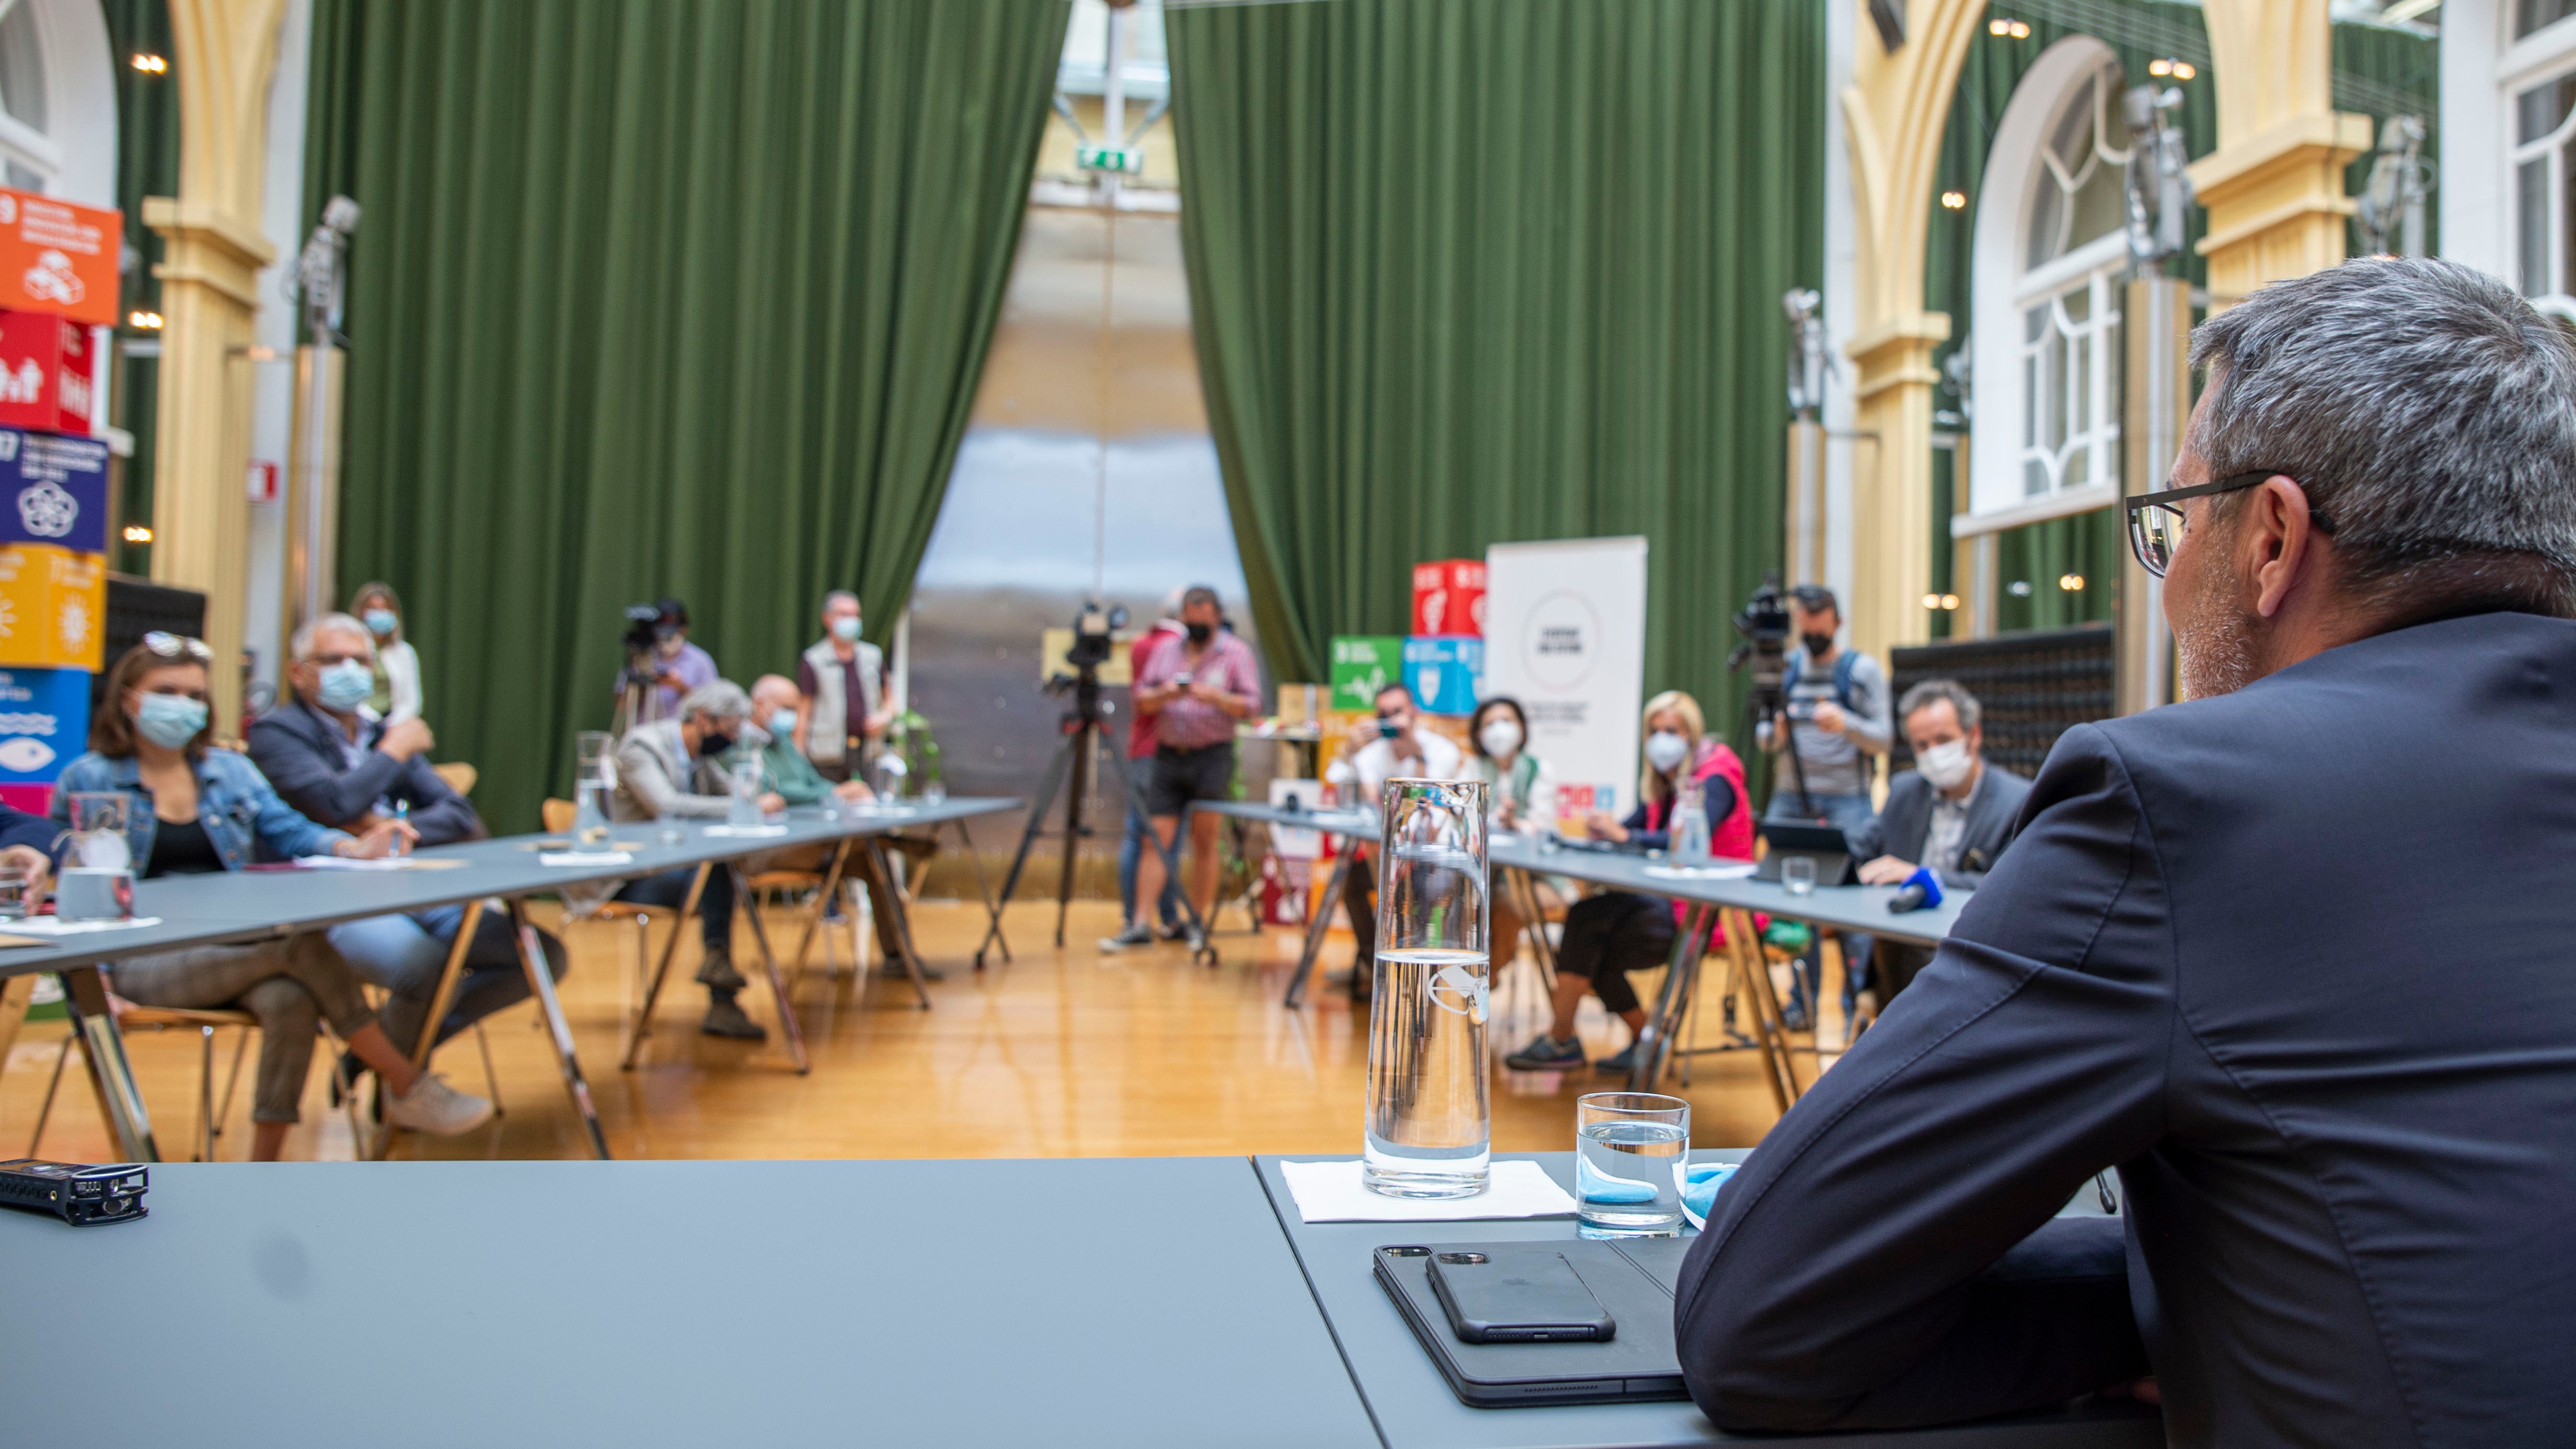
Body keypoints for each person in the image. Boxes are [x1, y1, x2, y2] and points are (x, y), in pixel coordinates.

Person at [1675, 258, 2576, 1444]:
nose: (2164, 580)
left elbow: (1762, 1318)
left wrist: (2165, 1307)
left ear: (2269, 539)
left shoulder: (2184, 806)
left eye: (2175, 521)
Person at [54, 635, 492, 1157]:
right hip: (144, 960)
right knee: (298, 945)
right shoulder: (89, 779)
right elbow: (72, 889)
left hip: (231, 946)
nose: (184, 705)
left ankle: (264, 1167)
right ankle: (405, 1082)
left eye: (195, 695)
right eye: (166, 691)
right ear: (128, 698)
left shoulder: (229, 771)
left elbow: (289, 829)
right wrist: (94, 981)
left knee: (293, 996)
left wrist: (349, 847)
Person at [247, 612, 569, 1076]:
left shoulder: (379, 730)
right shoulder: (277, 733)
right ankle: (402, 1079)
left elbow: (460, 815)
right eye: (333, 659)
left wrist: (382, 824)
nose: (350, 670)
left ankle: (383, 1058)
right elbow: (335, 804)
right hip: (326, 902)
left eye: (360, 660)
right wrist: (394, 754)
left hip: (411, 888)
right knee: (422, 967)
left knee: (539, 956)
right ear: (298, 672)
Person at [1504, 691, 1749, 1077]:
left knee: (1588, 926)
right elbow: (1633, 828)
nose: (1660, 738)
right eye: (1653, 730)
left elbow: (1680, 839)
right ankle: (1642, 1040)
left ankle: (1564, 1039)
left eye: (1671, 729)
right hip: (1670, 901)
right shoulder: (1667, 782)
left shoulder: (1714, 777)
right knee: (1588, 929)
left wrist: (1620, 835)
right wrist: (1606, 829)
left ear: (1692, 734)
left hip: (1707, 910)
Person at [606, 679, 781, 1040]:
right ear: (703, 719)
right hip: (632, 874)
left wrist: (751, 781)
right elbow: (666, 805)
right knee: (716, 872)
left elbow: (736, 793)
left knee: (720, 867)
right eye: (731, 729)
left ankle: (721, 983)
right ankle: (721, 992)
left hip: (677, 866)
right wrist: (745, 807)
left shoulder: (698, 756)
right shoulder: (642, 747)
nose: (732, 738)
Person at [1845, 679, 2030, 1004]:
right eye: (1922, 745)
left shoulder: (2017, 803)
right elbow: (1863, 844)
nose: (1934, 754)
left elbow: (2008, 889)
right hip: (1901, 948)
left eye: (1943, 740)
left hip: (1971, 954)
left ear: (1974, 736)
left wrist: (1921, 876)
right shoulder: (1905, 791)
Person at [1760, 584, 1892, 1029]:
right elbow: (1762, 738)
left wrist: (1846, 723)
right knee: (1795, 902)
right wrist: (1773, 733)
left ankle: (1856, 1000)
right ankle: (1803, 1001)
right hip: (1790, 795)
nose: (1812, 638)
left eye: (1820, 630)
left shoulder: (1861, 670)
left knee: (1851, 901)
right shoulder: (1787, 670)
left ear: (1836, 622)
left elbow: (1884, 738)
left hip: (1847, 800)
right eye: (1805, 630)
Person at [1102, 586, 1261, 952]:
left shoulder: (1235, 653)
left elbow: (1252, 706)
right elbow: (1141, 700)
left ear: (1217, 618)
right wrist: (1169, 693)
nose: (1197, 627)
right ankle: (1140, 923)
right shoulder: (1165, 651)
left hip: (1212, 756)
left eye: (1204, 622)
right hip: (1169, 755)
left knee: (1205, 839)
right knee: (1153, 837)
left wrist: (1216, 697)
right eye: (1192, 621)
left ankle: (1197, 922)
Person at [1322, 680, 1468, 1000]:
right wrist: (1350, 752)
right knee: (1349, 882)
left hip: (1434, 859)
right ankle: (1374, 964)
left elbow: (1427, 809)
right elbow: (1355, 795)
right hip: (1387, 858)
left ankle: (1413, 983)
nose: (1392, 721)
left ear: (1414, 712)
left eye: (1398, 712)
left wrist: (1415, 751)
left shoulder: (1441, 750)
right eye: (1383, 715)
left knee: (1421, 891)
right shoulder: (1372, 754)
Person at [1464, 694, 1556, 965]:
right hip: (1481, 874)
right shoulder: (1472, 769)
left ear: (1522, 728)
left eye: (1506, 721)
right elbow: (1459, 820)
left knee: (1504, 902)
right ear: (1479, 734)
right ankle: (1453, 969)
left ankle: (1485, 975)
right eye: (1490, 723)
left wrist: (1515, 824)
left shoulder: (1539, 770)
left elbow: (1545, 829)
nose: (1498, 729)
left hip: (1533, 878)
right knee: (1460, 896)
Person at [1119, 593, 1187, 940]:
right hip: (1161, 752)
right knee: (1160, 841)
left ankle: (1145, 919)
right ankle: (1153, 919)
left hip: (1140, 748)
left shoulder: (1141, 643)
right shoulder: (1176, 647)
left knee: (1139, 835)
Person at [795, 590, 892, 784]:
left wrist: (884, 716)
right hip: (827, 756)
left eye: (855, 615)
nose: (851, 620)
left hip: (867, 752)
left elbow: (890, 697)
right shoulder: (814, 660)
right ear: (827, 619)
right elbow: (803, 713)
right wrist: (798, 759)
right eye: (844, 615)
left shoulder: (873, 656)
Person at [630, 597, 717, 723]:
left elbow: (714, 706)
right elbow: (621, 705)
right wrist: (642, 684)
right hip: (643, 733)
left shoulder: (701, 661)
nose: (665, 638)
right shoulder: (641, 657)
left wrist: (680, 687)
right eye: (661, 632)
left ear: (684, 629)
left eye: (670, 633)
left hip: (681, 736)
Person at [347, 579, 421, 723]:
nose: (380, 614)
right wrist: (371, 720)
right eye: (373, 609)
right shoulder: (349, 651)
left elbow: (412, 701)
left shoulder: (404, 652)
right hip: (358, 721)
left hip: (393, 725)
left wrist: (390, 725)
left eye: (385, 609)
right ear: (361, 612)